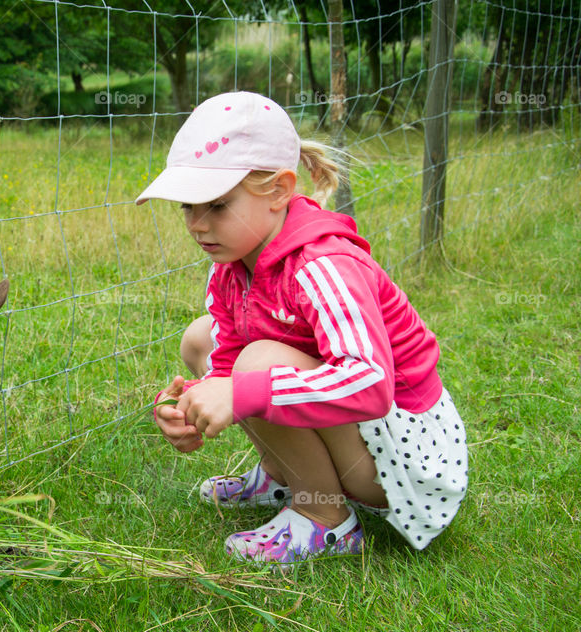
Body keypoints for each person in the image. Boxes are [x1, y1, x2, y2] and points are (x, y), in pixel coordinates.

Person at [137, 92, 467, 566]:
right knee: (202, 339)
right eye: (188, 207)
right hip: (365, 435)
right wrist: (193, 403)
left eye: (216, 205)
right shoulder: (233, 264)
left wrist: (239, 393)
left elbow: (371, 385)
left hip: (407, 463)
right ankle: (281, 475)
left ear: (278, 191)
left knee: (256, 369)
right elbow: (227, 359)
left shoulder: (322, 264)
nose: (197, 224)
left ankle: (326, 519)